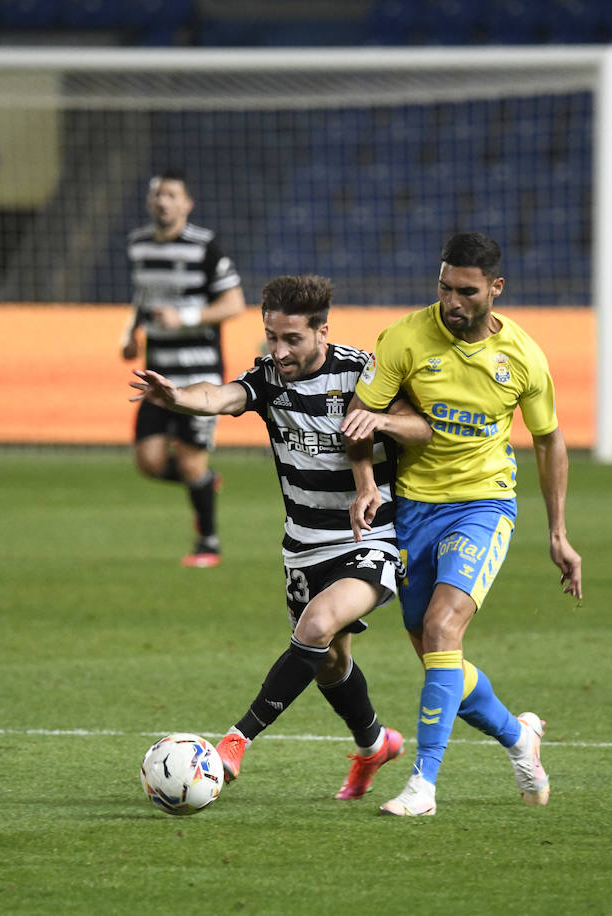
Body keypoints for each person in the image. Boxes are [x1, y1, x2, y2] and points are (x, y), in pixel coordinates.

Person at [129, 274, 433, 800]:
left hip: (370, 536)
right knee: (330, 661)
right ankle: (374, 745)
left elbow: (421, 427)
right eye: (272, 336)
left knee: (315, 627)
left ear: (322, 331)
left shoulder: (363, 374)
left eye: (292, 338)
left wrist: (379, 422)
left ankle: (235, 741)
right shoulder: (270, 377)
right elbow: (220, 396)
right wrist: (177, 397)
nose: (280, 349)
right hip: (302, 545)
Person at [341, 232, 583, 817]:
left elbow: (549, 441)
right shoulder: (403, 338)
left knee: (445, 629)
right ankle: (519, 738)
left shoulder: (522, 357)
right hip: (415, 509)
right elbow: (360, 417)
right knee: (435, 654)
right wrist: (368, 484)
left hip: (484, 504)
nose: (452, 302)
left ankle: (423, 785)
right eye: (444, 287)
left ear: (495, 289)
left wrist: (557, 532)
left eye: (466, 291)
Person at [122, 170, 246, 568]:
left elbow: (233, 303)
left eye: (172, 195)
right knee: (149, 461)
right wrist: (131, 333)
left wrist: (186, 316)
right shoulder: (138, 245)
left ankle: (208, 543)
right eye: (158, 195)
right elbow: (142, 296)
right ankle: (206, 482)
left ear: (186, 204)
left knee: (191, 461)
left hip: (198, 376)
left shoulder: (204, 246)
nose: (163, 202)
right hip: (157, 374)